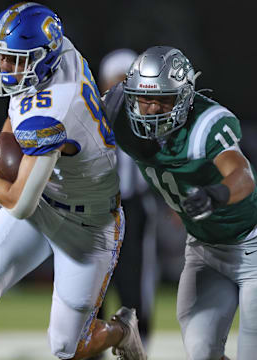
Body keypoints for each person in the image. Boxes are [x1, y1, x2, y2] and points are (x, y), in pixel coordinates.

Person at [0, 3, 147, 360]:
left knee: (67, 346)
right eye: (1, 57)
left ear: (40, 60)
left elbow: (19, 204)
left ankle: (121, 330)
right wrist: (5, 74)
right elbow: (21, 99)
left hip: (87, 224)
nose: (2, 66)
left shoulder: (53, 111)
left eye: (12, 60)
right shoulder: (60, 51)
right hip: (51, 195)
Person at [103, 45, 257, 360]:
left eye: (163, 99)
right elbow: (69, 114)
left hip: (253, 248)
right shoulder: (120, 116)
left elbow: (242, 174)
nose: (152, 109)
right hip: (204, 251)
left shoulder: (206, 123)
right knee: (201, 351)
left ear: (185, 97)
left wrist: (216, 193)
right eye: (144, 98)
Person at [97, 49, 157, 350]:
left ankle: (139, 343)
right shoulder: (90, 111)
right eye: (116, 81)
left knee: (135, 279)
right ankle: (91, 345)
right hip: (96, 209)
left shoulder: (151, 114)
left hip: (133, 206)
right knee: (92, 281)